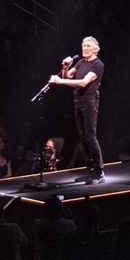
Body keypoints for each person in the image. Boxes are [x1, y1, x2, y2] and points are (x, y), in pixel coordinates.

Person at [46, 36, 107, 182]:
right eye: (83, 45)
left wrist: (60, 81)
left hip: (89, 100)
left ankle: (99, 172)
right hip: (77, 100)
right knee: (82, 137)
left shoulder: (98, 65)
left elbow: (83, 83)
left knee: (90, 137)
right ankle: (90, 169)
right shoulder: (80, 62)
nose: (85, 48)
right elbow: (69, 76)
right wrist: (65, 67)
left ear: (95, 49)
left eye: (88, 46)